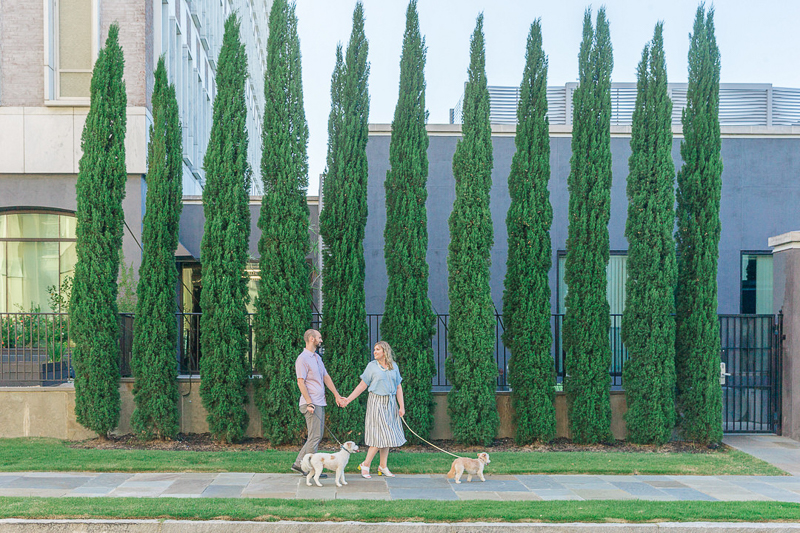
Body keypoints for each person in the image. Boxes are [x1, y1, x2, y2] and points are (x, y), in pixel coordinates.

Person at [342, 340, 406, 478]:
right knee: (379, 436)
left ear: (385, 352)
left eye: (378, 349)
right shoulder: (371, 366)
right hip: (376, 402)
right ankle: (365, 464)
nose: (374, 352)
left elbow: (398, 387)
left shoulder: (393, 366)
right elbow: (362, 386)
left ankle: (383, 466)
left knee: (387, 437)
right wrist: (348, 399)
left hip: (390, 403)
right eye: (374, 349)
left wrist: (401, 406)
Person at [291, 329, 345, 476]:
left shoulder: (317, 358)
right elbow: (300, 382)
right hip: (311, 403)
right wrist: (309, 403)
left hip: (319, 402)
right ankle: (310, 469)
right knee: (315, 437)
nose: (321, 340)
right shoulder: (302, 359)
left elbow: (326, 377)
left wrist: (336, 395)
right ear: (311, 339)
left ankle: (299, 463)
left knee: (315, 436)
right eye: (319, 338)